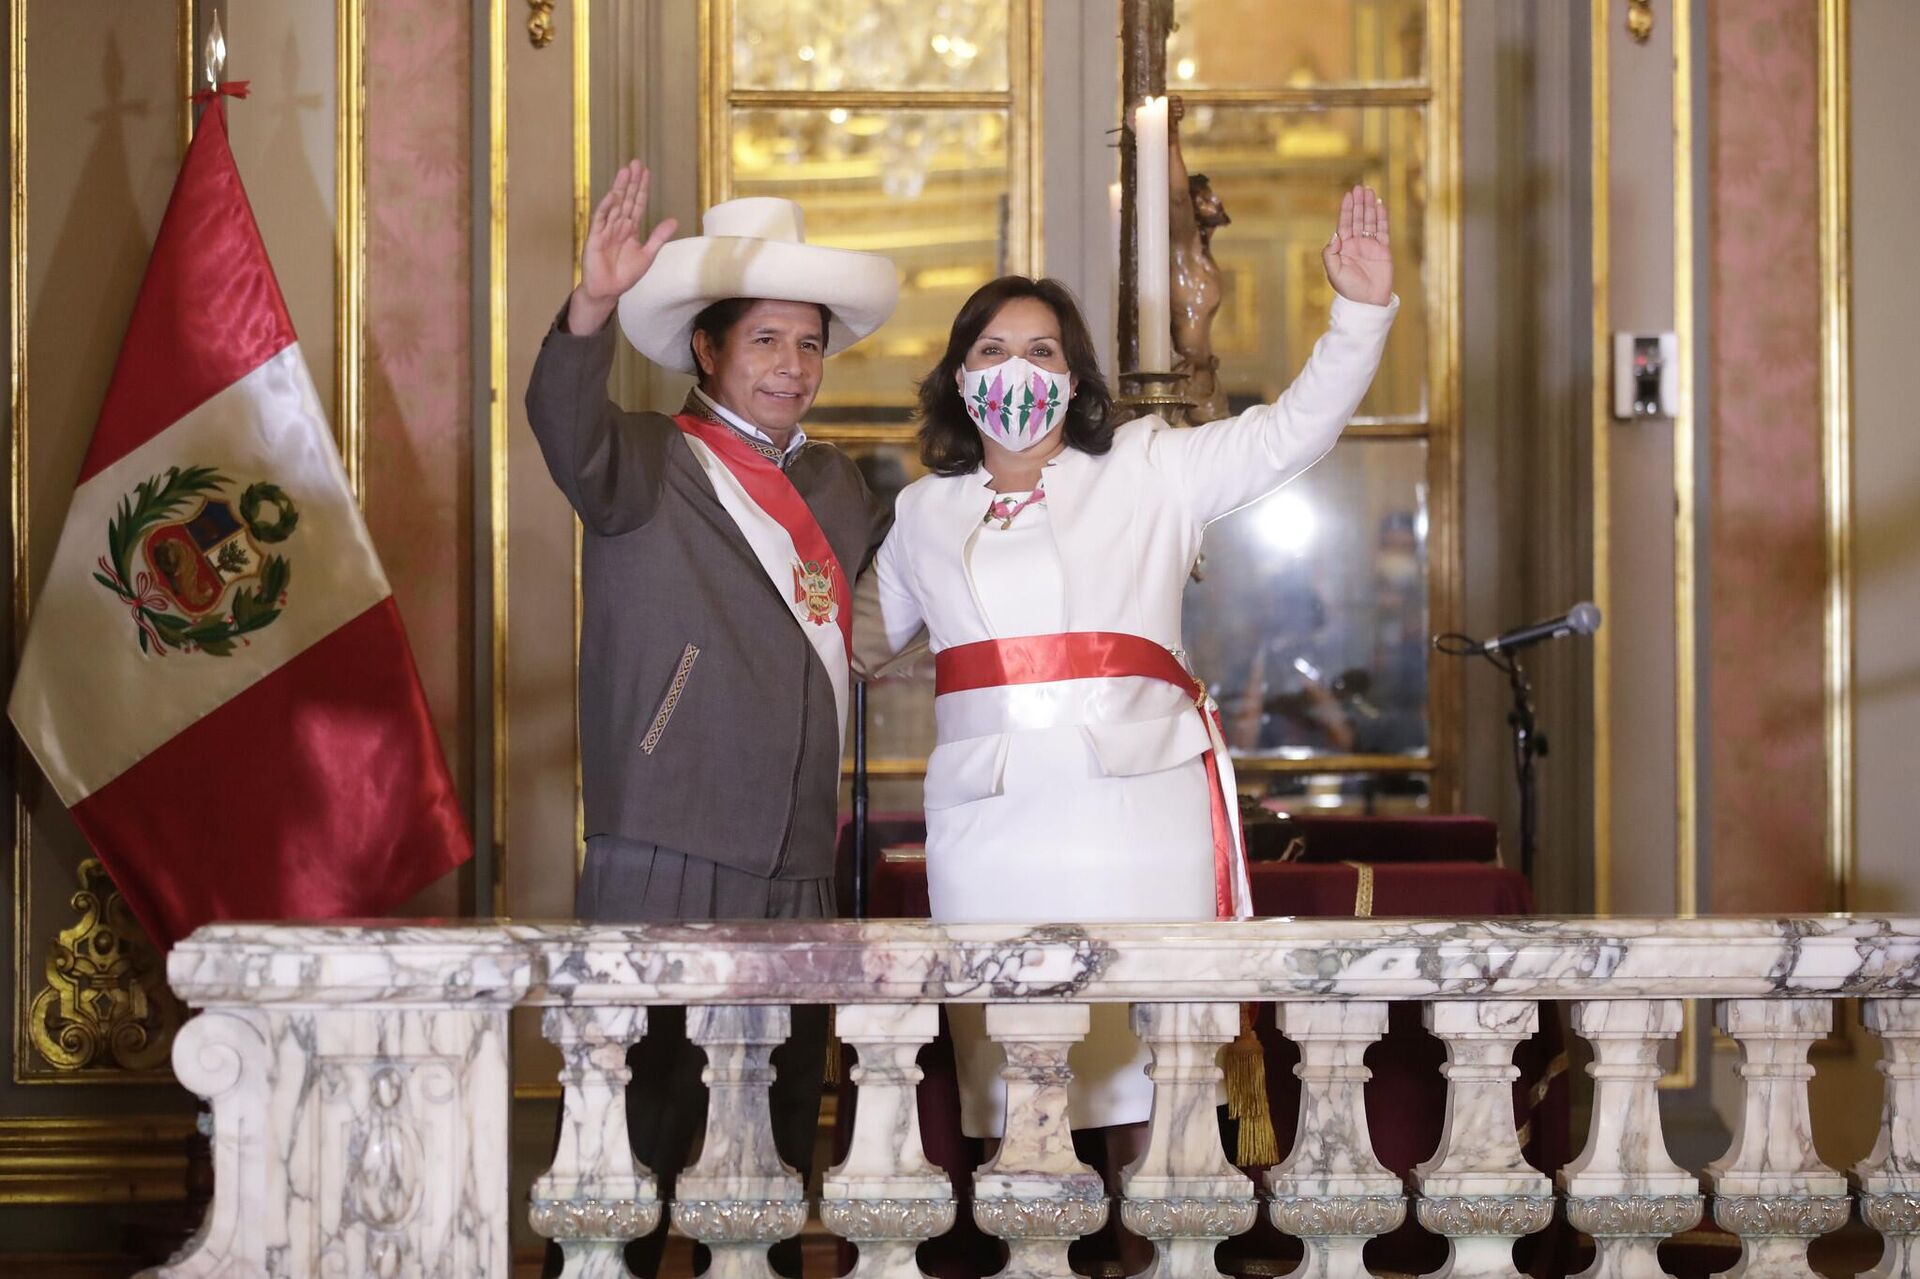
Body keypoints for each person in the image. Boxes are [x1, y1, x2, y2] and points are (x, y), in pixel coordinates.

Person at [860, 184, 1395, 1213]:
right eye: (990, 351)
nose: (1017, 370)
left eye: (1044, 350)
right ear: (957, 376)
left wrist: (1359, 315)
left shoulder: (1151, 468)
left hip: (1137, 822)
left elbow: (1292, 432)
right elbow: (842, 643)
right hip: (992, 834)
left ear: (1077, 376)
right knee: (1026, 1099)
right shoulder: (925, 514)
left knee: (1162, 1088)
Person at [527, 161, 898, 1279]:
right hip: (664, 854)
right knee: (625, 1151)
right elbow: (559, 415)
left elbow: (896, 619)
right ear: (707, 348)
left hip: (799, 862)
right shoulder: (641, 461)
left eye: (810, 344)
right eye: (767, 342)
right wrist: (589, 307)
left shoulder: (839, 489)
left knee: (776, 1159)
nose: (793, 368)